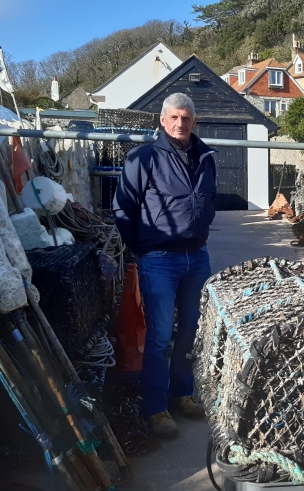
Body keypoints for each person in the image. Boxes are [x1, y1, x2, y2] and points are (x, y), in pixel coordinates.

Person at [113, 92, 217, 438]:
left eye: (186, 118)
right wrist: (141, 248)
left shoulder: (205, 157)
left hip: (196, 256)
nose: (180, 123)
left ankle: (182, 394)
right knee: (158, 336)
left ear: (194, 122)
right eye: (173, 117)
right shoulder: (143, 157)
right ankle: (156, 408)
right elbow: (123, 207)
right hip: (159, 258)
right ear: (162, 120)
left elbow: (209, 200)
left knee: (190, 329)